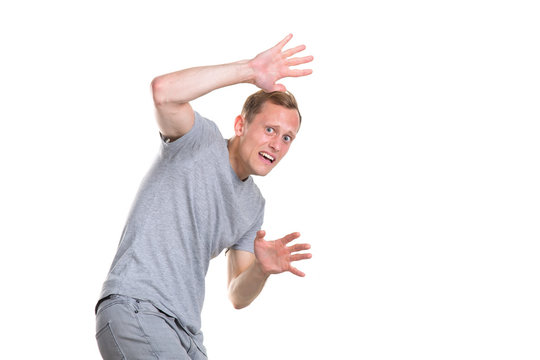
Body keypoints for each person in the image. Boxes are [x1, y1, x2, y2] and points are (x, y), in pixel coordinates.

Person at [95, 34, 313, 360]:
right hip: (138, 307)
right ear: (241, 125)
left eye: (287, 138)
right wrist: (250, 69)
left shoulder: (253, 205)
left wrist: (261, 270)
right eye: (269, 129)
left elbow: (237, 295)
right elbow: (163, 92)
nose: (276, 144)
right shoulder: (199, 140)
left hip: (187, 335)